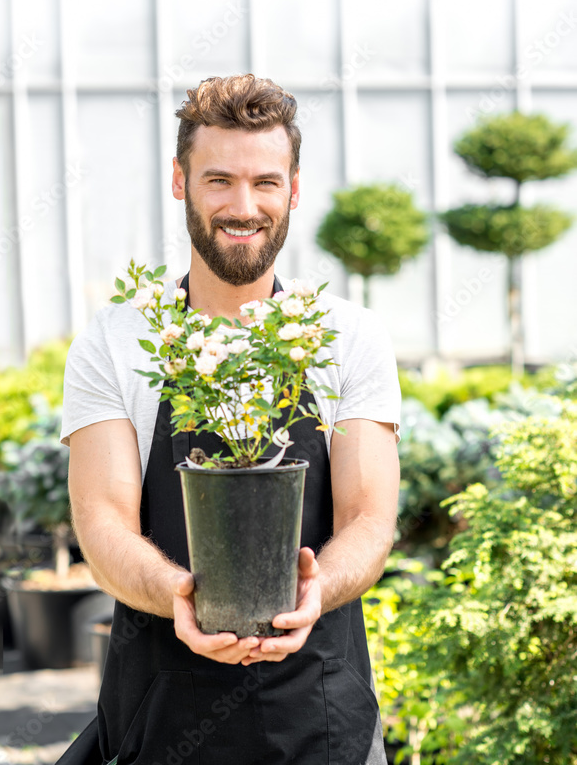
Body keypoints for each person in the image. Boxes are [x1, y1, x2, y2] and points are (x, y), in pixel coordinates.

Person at [58, 73, 401, 765]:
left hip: (319, 712)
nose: (242, 206)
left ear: (293, 191)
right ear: (180, 181)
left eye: (265, 183)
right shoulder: (120, 339)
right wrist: (176, 594)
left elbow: (367, 519)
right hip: (161, 710)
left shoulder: (343, 335)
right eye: (218, 180)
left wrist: (316, 591)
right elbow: (101, 522)